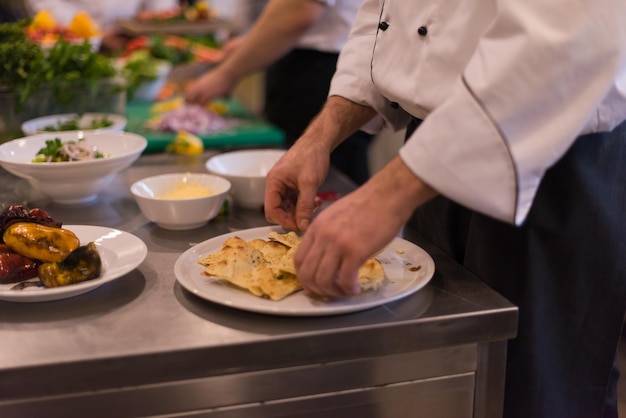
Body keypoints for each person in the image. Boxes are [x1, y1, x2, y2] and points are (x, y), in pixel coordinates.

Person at [263, 0, 626, 417]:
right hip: (432, 155)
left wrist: (384, 195)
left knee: (534, 398)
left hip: (546, 157)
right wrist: (319, 136)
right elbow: (388, 21)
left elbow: (569, 37)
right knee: (446, 382)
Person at [185, 0, 374, 185]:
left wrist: (225, 74)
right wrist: (250, 41)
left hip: (321, 73)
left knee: (332, 182)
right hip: (310, 65)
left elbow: (299, 9)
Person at [25, 0, 179, 51]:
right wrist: (95, 34)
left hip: (135, 42)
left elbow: (162, 5)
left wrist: (159, 14)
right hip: (75, 46)